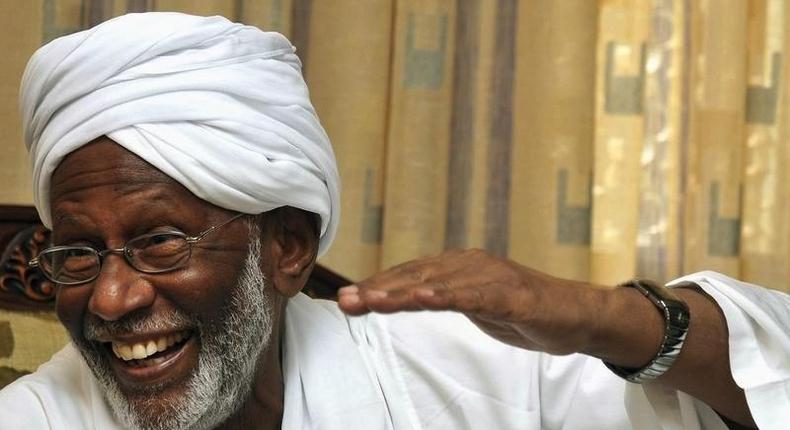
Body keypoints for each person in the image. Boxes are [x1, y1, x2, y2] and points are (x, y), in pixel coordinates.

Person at [0, 12, 787, 430]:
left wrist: (603, 316)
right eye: (78, 251)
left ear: (288, 247)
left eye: (159, 240)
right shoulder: (36, 417)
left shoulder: (471, 369)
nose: (108, 301)